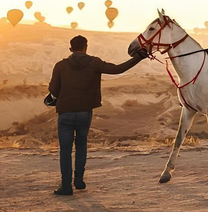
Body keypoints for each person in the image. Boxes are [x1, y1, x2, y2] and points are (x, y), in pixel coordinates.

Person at [48, 35, 146, 195]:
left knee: (65, 150)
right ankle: (78, 180)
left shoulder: (60, 66)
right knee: (81, 145)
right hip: (84, 112)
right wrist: (139, 57)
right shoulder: (94, 63)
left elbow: (53, 90)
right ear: (86, 47)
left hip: (65, 112)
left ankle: (66, 186)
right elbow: (118, 69)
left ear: (70, 49)